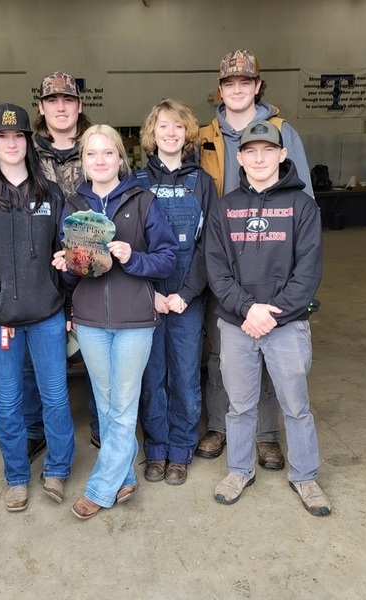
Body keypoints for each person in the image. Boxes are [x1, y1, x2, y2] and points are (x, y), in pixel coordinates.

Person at [205, 120, 330, 516]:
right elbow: (216, 269)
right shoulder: (224, 208)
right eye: (251, 151)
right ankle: (239, 469)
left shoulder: (303, 207)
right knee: (239, 405)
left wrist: (270, 313)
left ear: (282, 154)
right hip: (238, 323)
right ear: (240, 158)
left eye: (267, 150)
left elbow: (308, 272)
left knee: (296, 404)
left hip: (286, 324)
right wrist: (247, 309)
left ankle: (305, 476)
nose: (259, 158)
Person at [52, 125, 178, 520]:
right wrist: (66, 265)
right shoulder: (73, 205)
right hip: (89, 320)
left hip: (135, 319)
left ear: (120, 159)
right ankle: (124, 476)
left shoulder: (142, 201)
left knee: (122, 406)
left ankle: (100, 489)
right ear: (84, 162)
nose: (100, 160)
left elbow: (169, 257)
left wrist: (132, 257)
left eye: (108, 153)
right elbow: (73, 276)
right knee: (107, 405)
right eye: (92, 154)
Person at [0, 103, 76, 513]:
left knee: (56, 397)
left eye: (19, 136)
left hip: (47, 317)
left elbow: (65, 252)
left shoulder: (50, 192)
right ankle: (16, 477)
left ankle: (58, 469)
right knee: (7, 401)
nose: (11, 143)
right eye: (3, 137)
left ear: (29, 141)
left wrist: (64, 291)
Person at [197, 49, 314, 470]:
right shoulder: (204, 133)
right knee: (221, 349)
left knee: (269, 345)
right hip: (224, 258)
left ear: (258, 86)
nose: (238, 88)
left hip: (273, 261)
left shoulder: (284, 132)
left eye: (246, 82)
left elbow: (303, 201)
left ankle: (266, 436)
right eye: (230, 83)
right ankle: (221, 426)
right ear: (220, 88)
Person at [136, 99, 216, 485]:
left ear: (188, 134)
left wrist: (186, 292)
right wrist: (149, 293)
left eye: (178, 126)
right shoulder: (136, 183)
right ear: (152, 134)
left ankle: (181, 451)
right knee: (152, 377)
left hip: (188, 296)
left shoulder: (202, 182)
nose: (170, 133)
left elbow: (209, 246)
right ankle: (156, 450)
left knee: (184, 376)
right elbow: (130, 244)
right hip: (147, 297)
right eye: (163, 126)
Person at [21, 71, 100, 460]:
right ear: (42, 107)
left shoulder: (96, 145)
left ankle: (101, 425)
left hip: (89, 260)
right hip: (38, 264)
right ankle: (35, 428)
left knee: (95, 344)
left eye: (68, 100)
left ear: (79, 105)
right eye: (53, 101)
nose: (61, 107)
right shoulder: (26, 151)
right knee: (35, 352)